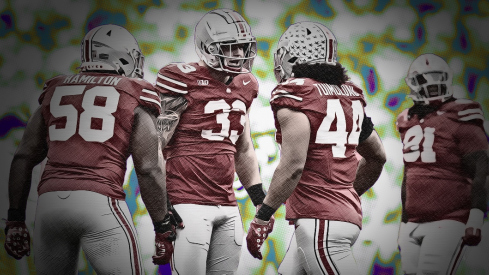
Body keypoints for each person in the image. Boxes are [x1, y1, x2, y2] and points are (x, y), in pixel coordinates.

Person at [4, 24, 176, 274]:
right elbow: (148, 167)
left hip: (50, 205)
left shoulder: (56, 89)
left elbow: (23, 157)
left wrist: (15, 219)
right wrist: (162, 226)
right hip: (100, 203)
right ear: (122, 57)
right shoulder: (134, 92)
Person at [245, 21, 387, 274]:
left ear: (294, 57)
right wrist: (344, 195)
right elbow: (377, 156)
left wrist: (262, 216)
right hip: (334, 219)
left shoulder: (297, 93)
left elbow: (292, 166)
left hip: (322, 225)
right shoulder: (349, 94)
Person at [153, 8, 267, 274]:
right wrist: (163, 205)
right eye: (229, 47)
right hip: (187, 202)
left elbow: (244, 147)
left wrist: (259, 198)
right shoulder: (180, 78)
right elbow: (155, 145)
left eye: (242, 47)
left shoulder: (246, 84)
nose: (238, 54)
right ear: (207, 47)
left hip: (227, 204)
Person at [396, 53, 488, 275]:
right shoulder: (406, 119)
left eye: (437, 77)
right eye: (426, 79)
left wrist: (476, 216)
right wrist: (404, 220)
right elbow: (411, 174)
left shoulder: (461, 114)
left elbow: (481, 169)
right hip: (413, 221)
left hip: (448, 219)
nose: (433, 84)